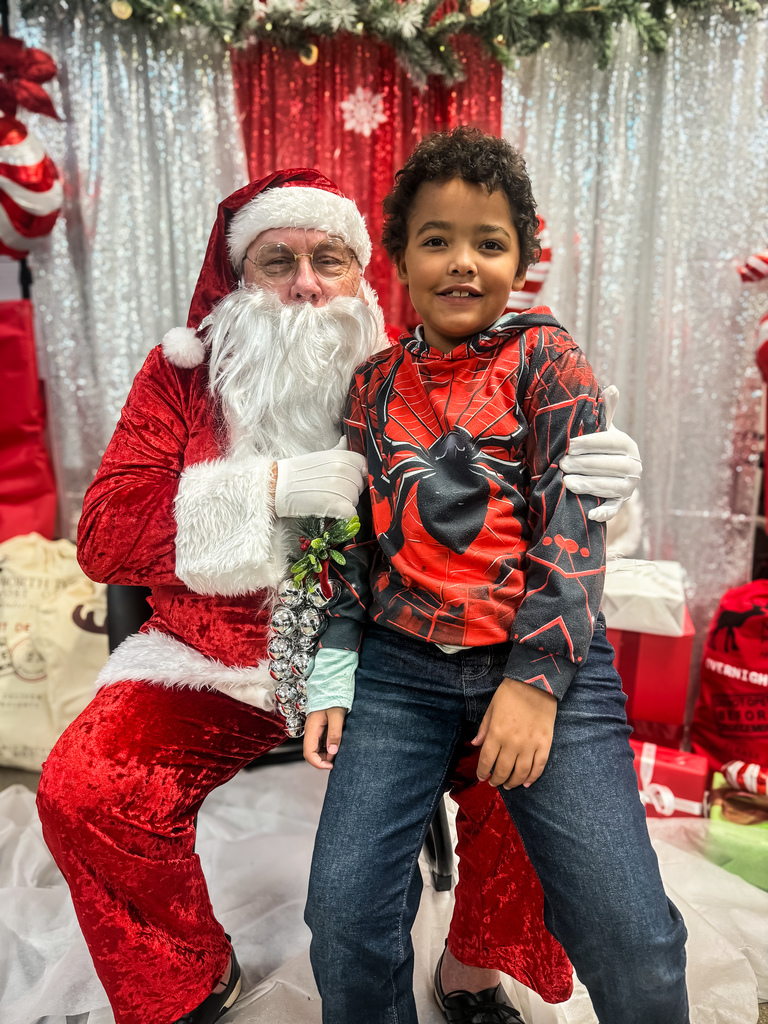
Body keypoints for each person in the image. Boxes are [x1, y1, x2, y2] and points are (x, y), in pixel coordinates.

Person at [35, 168, 640, 1024]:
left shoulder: (419, 365)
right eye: (278, 261)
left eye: (330, 258)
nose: (308, 284)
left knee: (535, 768)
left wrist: (603, 485)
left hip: (401, 659)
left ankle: (471, 970)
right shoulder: (184, 374)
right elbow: (103, 534)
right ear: (239, 277)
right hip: (219, 664)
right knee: (85, 786)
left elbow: (520, 498)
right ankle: (188, 977)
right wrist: (268, 489)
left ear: (366, 273)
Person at [302, 129, 688, 1024]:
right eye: (436, 239)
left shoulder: (550, 363)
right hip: (400, 667)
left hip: (542, 659)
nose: (462, 262)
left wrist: (538, 681)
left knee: (635, 938)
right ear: (398, 256)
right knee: (344, 918)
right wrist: (331, 661)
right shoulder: (372, 387)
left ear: (524, 256)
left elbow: (574, 529)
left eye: (490, 241)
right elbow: (353, 539)